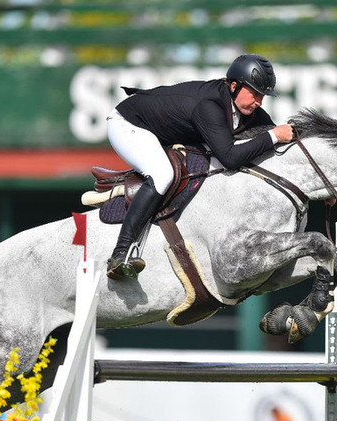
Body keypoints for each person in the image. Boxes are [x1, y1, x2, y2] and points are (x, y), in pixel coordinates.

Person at [105, 53, 295, 280]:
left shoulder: (242, 105)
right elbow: (231, 158)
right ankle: (121, 253)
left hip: (160, 128)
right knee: (162, 174)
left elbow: (276, 136)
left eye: (262, 96)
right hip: (128, 124)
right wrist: (274, 135)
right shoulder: (210, 107)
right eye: (254, 93)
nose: (259, 102)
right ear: (234, 86)